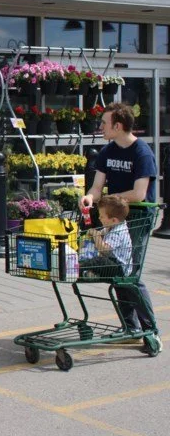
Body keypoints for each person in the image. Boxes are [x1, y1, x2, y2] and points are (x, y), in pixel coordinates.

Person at [80, 103, 160, 349]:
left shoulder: (141, 153)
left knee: (129, 275)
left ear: (118, 125)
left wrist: (108, 201)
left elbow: (139, 193)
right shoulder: (108, 151)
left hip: (137, 218)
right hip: (113, 216)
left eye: (104, 123)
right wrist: (90, 198)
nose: (101, 127)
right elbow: (97, 185)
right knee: (117, 273)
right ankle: (131, 326)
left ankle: (150, 330)